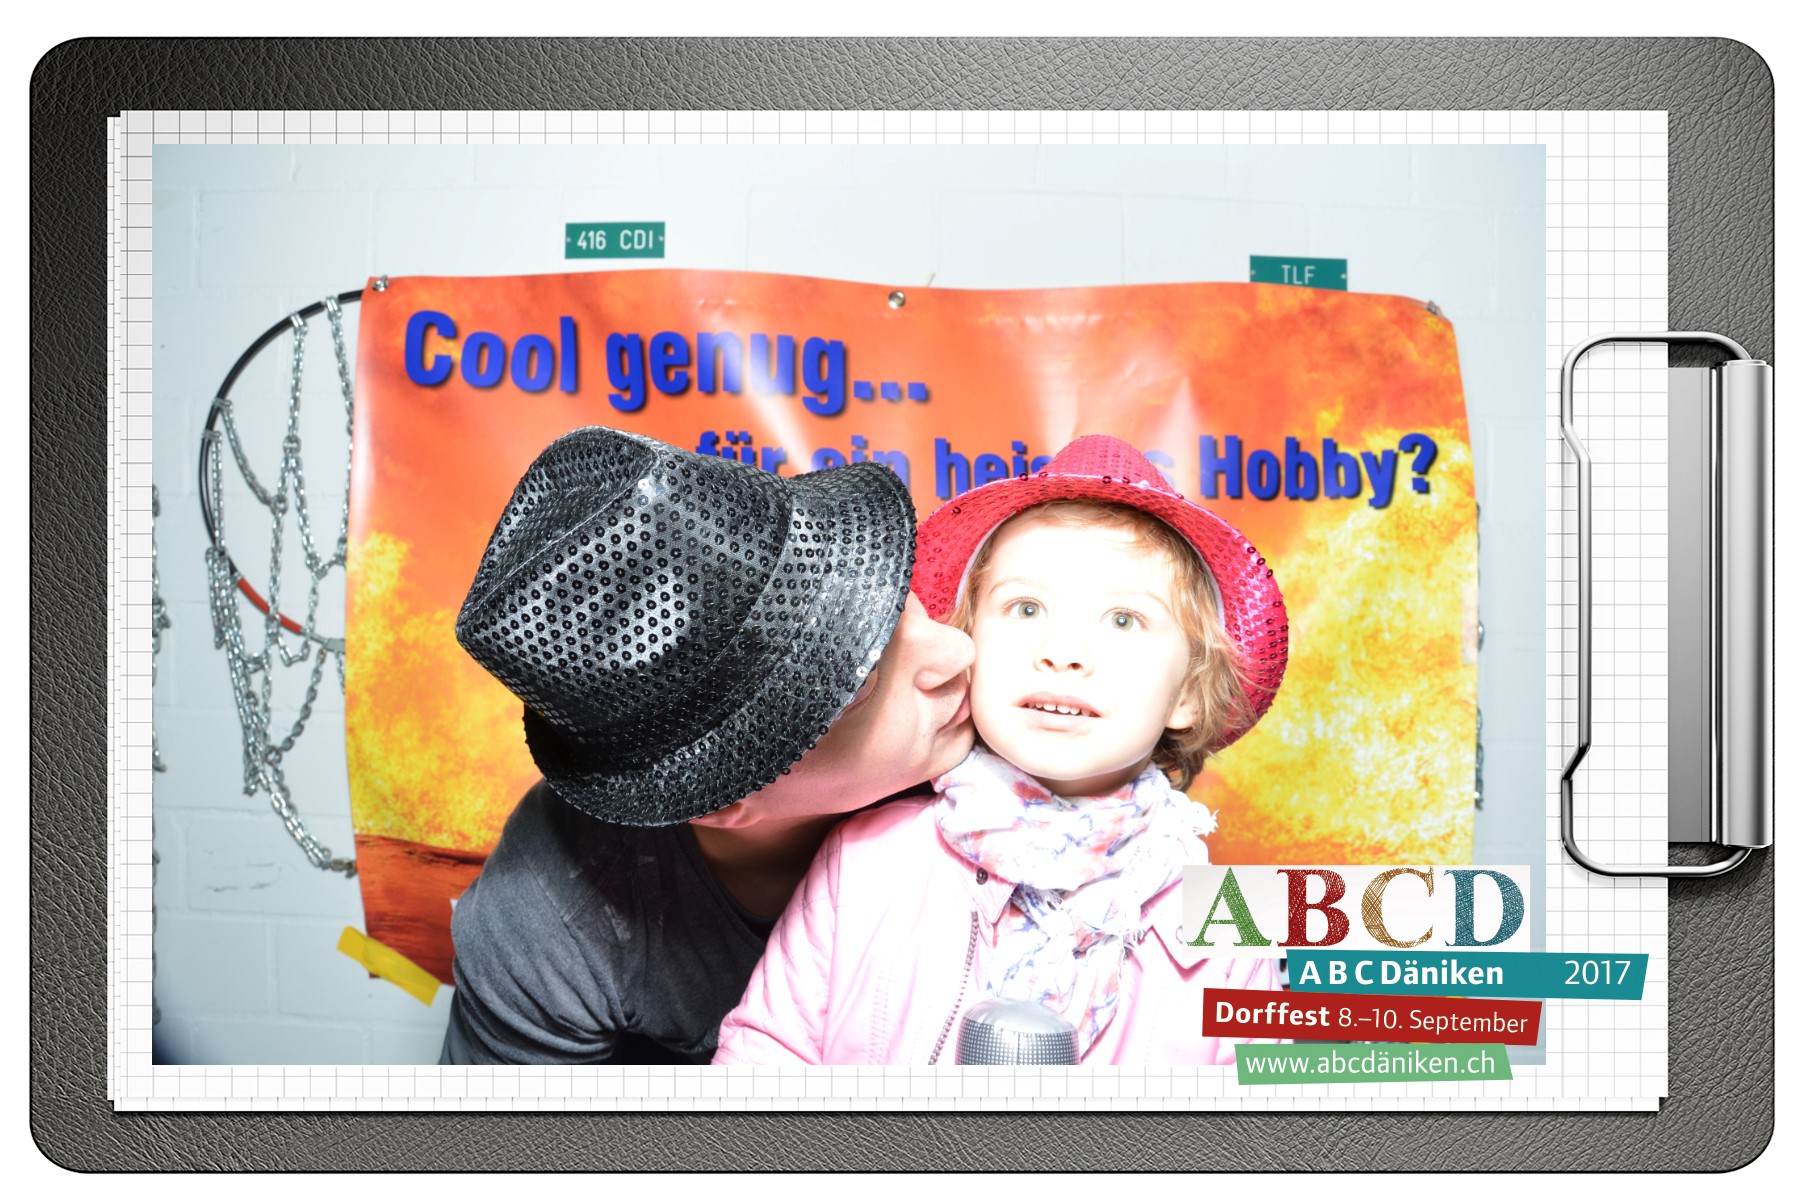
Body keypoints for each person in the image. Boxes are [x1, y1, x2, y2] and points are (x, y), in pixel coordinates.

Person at [715, 435, 1289, 1065]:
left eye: (1124, 619)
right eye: (1026, 607)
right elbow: (765, 1058)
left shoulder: (1234, 917)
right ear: (968, 645)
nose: (1064, 652)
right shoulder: (865, 857)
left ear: (1187, 695)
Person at [439, 426, 973, 1064]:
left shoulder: (1024, 731)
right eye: (858, 680)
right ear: (722, 800)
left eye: (895, 598)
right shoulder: (546, 924)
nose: (960, 651)